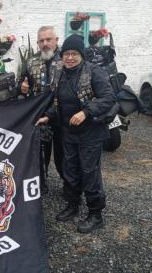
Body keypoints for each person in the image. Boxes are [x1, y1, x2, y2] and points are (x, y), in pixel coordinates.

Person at [36, 34, 116, 233]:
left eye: (74, 54)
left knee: (89, 172)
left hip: (91, 133)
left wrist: (85, 112)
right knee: (69, 170)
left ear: (81, 54)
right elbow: (59, 103)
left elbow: (108, 98)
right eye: (66, 54)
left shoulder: (94, 72)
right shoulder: (60, 74)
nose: (70, 58)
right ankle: (73, 205)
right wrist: (47, 116)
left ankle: (95, 214)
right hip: (68, 133)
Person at [19, 26, 64, 193]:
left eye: (48, 39)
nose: (45, 44)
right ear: (38, 43)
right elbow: (22, 83)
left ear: (56, 40)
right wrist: (22, 87)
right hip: (38, 116)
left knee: (63, 155)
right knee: (38, 153)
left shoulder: (65, 60)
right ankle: (40, 184)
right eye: (41, 41)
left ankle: (69, 187)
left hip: (61, 116)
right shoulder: (31, 62)